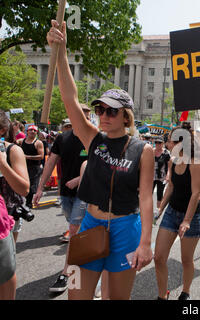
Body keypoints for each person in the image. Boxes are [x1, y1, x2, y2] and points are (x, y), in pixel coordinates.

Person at [47, 20, 154, 300]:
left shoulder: (142, 150)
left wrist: (146, 243)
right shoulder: (93, 138)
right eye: (100, 109)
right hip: (88, 228)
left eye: (111, 111)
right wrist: (61, 52)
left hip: (125, 232)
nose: (104, 115)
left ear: (126, 117)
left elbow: (145, 199)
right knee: (75, 294)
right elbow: (70, 99)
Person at [33, 104, 91, 293]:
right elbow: (51, 162)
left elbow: (101, 166)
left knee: (73, 230)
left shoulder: (95, 138)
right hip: (65, 194)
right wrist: (40, 188)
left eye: (88, 115)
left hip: (87, 193)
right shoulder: (62, 138)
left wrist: (80, 178)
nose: (86, 118)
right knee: (75, 228)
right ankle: (86, 258)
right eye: (82, 115)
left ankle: (67, 274)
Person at [154, 123, 200, 300]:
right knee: (158, 257)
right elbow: (171, 187)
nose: (167, 144)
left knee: (186, 260)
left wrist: (187, 221)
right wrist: (160, 209)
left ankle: (186, 291)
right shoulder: (172, 160)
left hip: (191, 216)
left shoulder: (194, 162)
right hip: (171, 213)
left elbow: (196, 194)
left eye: (169, 141)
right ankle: (162, 295)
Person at [0, 110, 30, 300]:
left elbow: (24, 188)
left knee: (6, 268)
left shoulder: (12, 150)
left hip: (8, 215)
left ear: (2, 130)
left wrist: (3, 165)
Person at [17, 125, 44, 210]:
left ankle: (28, 204)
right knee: (22, 183)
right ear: (27, 132)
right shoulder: (21, 141)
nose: (32, 132)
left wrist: (27, 157)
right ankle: (20, 202)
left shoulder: (38, 143)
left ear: (36, 133)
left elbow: (41, 156)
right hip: (23, 166)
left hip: (35, 167)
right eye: (30, 130)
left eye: (34, 131)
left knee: (32, 185)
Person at [153, 135, 171, 217]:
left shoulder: (166, 153)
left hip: (161, 177)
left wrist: (168, 175)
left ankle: (158, 213)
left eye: (159, 143)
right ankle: (148, 211)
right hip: (151, 177)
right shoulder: (151, 151)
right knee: (148, 194)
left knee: (159, 195)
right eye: (156, 142)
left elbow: (169, 166)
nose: (157, 144)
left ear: (163, 143)